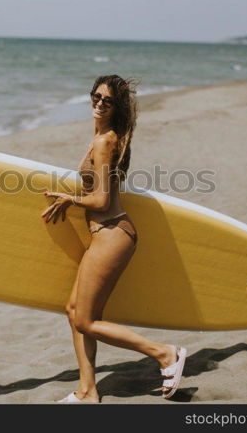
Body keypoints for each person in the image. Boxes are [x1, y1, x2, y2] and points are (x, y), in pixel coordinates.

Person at [41, 75, 186, 403]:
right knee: (73, 309)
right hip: (103, 236)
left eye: (107, 100)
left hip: (112, 235)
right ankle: (88, 390)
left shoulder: (105, 140)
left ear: (116, 106)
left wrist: (70, 200)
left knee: (86, 320)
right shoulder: (102, 136)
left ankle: (165, 354)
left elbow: (102, 201)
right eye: (95, 96)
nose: (99, 103)